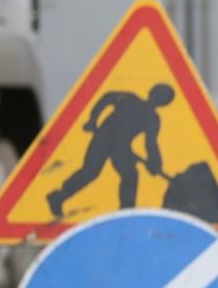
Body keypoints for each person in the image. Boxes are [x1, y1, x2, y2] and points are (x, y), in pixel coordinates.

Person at [47, 83, 176, 216]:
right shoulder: (130, 99)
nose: (158, 99)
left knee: (130, 175)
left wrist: (155, 163)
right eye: (160, 95)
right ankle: (58, 197)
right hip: (103, 138)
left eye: (162, 98)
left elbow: (151, 143)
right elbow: (107, 98)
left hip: (121, 147)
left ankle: (125, 214)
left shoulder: (152, 118)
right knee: (91, 171)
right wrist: (93, 119)